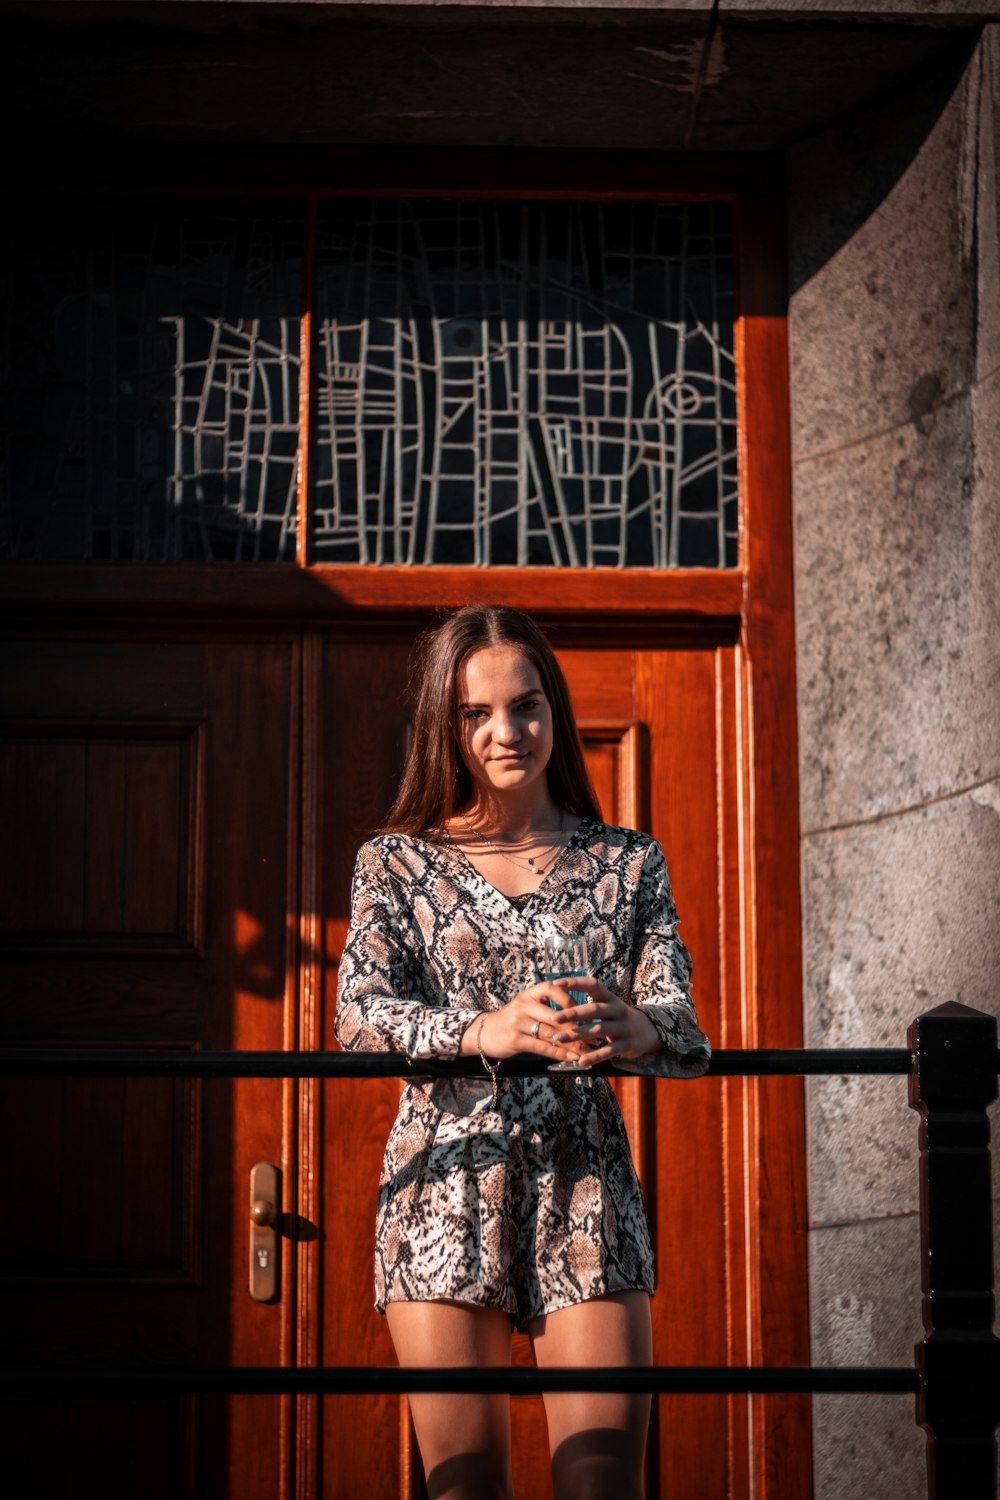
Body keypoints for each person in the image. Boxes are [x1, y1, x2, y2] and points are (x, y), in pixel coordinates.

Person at [335, 605, 710, 1500]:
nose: (509, 732)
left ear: (556, 712)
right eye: (478, 714)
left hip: (588, 1184)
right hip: (444, 1184)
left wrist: (644, 1028)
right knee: (468, 1490)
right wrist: (481, 1031)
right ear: (447, 725)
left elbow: (683, 1018)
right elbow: (357, 1017)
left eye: (528, 705)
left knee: (604, 1485)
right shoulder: (394, 863)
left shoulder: (629, 862)